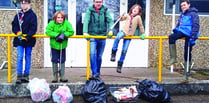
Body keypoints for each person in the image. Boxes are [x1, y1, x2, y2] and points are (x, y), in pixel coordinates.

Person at [166, 0, 200, 82]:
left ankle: (186, 75)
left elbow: (196, 25)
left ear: (189, 5)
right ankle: (174, 58)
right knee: (172, 37)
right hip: (183, 31)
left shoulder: (193, 14)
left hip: (190, 33)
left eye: (184, 5)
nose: (183, 7)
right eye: (181, 6)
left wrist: (193, 36)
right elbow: (179, 24)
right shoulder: (182, 14)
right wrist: (176, 29)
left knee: (187, 53)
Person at [110, 4, 146, 73]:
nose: (135, 9)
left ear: (139, 12)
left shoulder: (138, 17)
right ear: (131, 9)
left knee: (124, 50)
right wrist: (120, 17)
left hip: (129, 35)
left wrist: (143, 33)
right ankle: (113, 53)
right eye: (134, 8)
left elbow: (141, 26)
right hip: (123, 32)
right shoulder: (127, 15)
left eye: (137, 9)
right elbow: (121, 19)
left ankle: (120, 65)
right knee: (117, 37)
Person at [83, 0, 114, 78]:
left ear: (102, 2)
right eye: (97, 2)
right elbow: (86, 20)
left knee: (99, 56)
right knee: (92, 54)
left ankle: (98, 72)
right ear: (93, 2)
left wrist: (111, 30)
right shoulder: (90, 10)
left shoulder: (105, 10)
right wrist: (85, 32)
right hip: (93, 36)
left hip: (102, 36)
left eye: (100, 2)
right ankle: (94, 73)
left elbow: (110, 20)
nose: (98, 3)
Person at [12, 0, 37, 84]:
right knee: (20, 56)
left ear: (29, 4)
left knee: (27, 57)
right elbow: (14, 26)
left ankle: (26, 75)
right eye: (22, 3)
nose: (23, 5)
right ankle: (19, 75)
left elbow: (33, 28)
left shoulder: (32, 15)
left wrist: (27, 36)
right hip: (19, 40)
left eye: (25, 3)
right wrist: (18, 33)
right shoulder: (18, 15)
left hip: (28, 40)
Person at [46, 11, 74, 83]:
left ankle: (62, 76)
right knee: (54, 60)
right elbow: (48, 31)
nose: (60, 19)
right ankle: (55, 77)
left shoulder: (66, 23)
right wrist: (57, 35)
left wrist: (64, 35)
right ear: (55, 18)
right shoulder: (51, 23)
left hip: (62, 45)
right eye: (58, 17)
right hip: (54, 45)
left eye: (62, 17)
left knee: (62, 59)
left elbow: (71, 31)